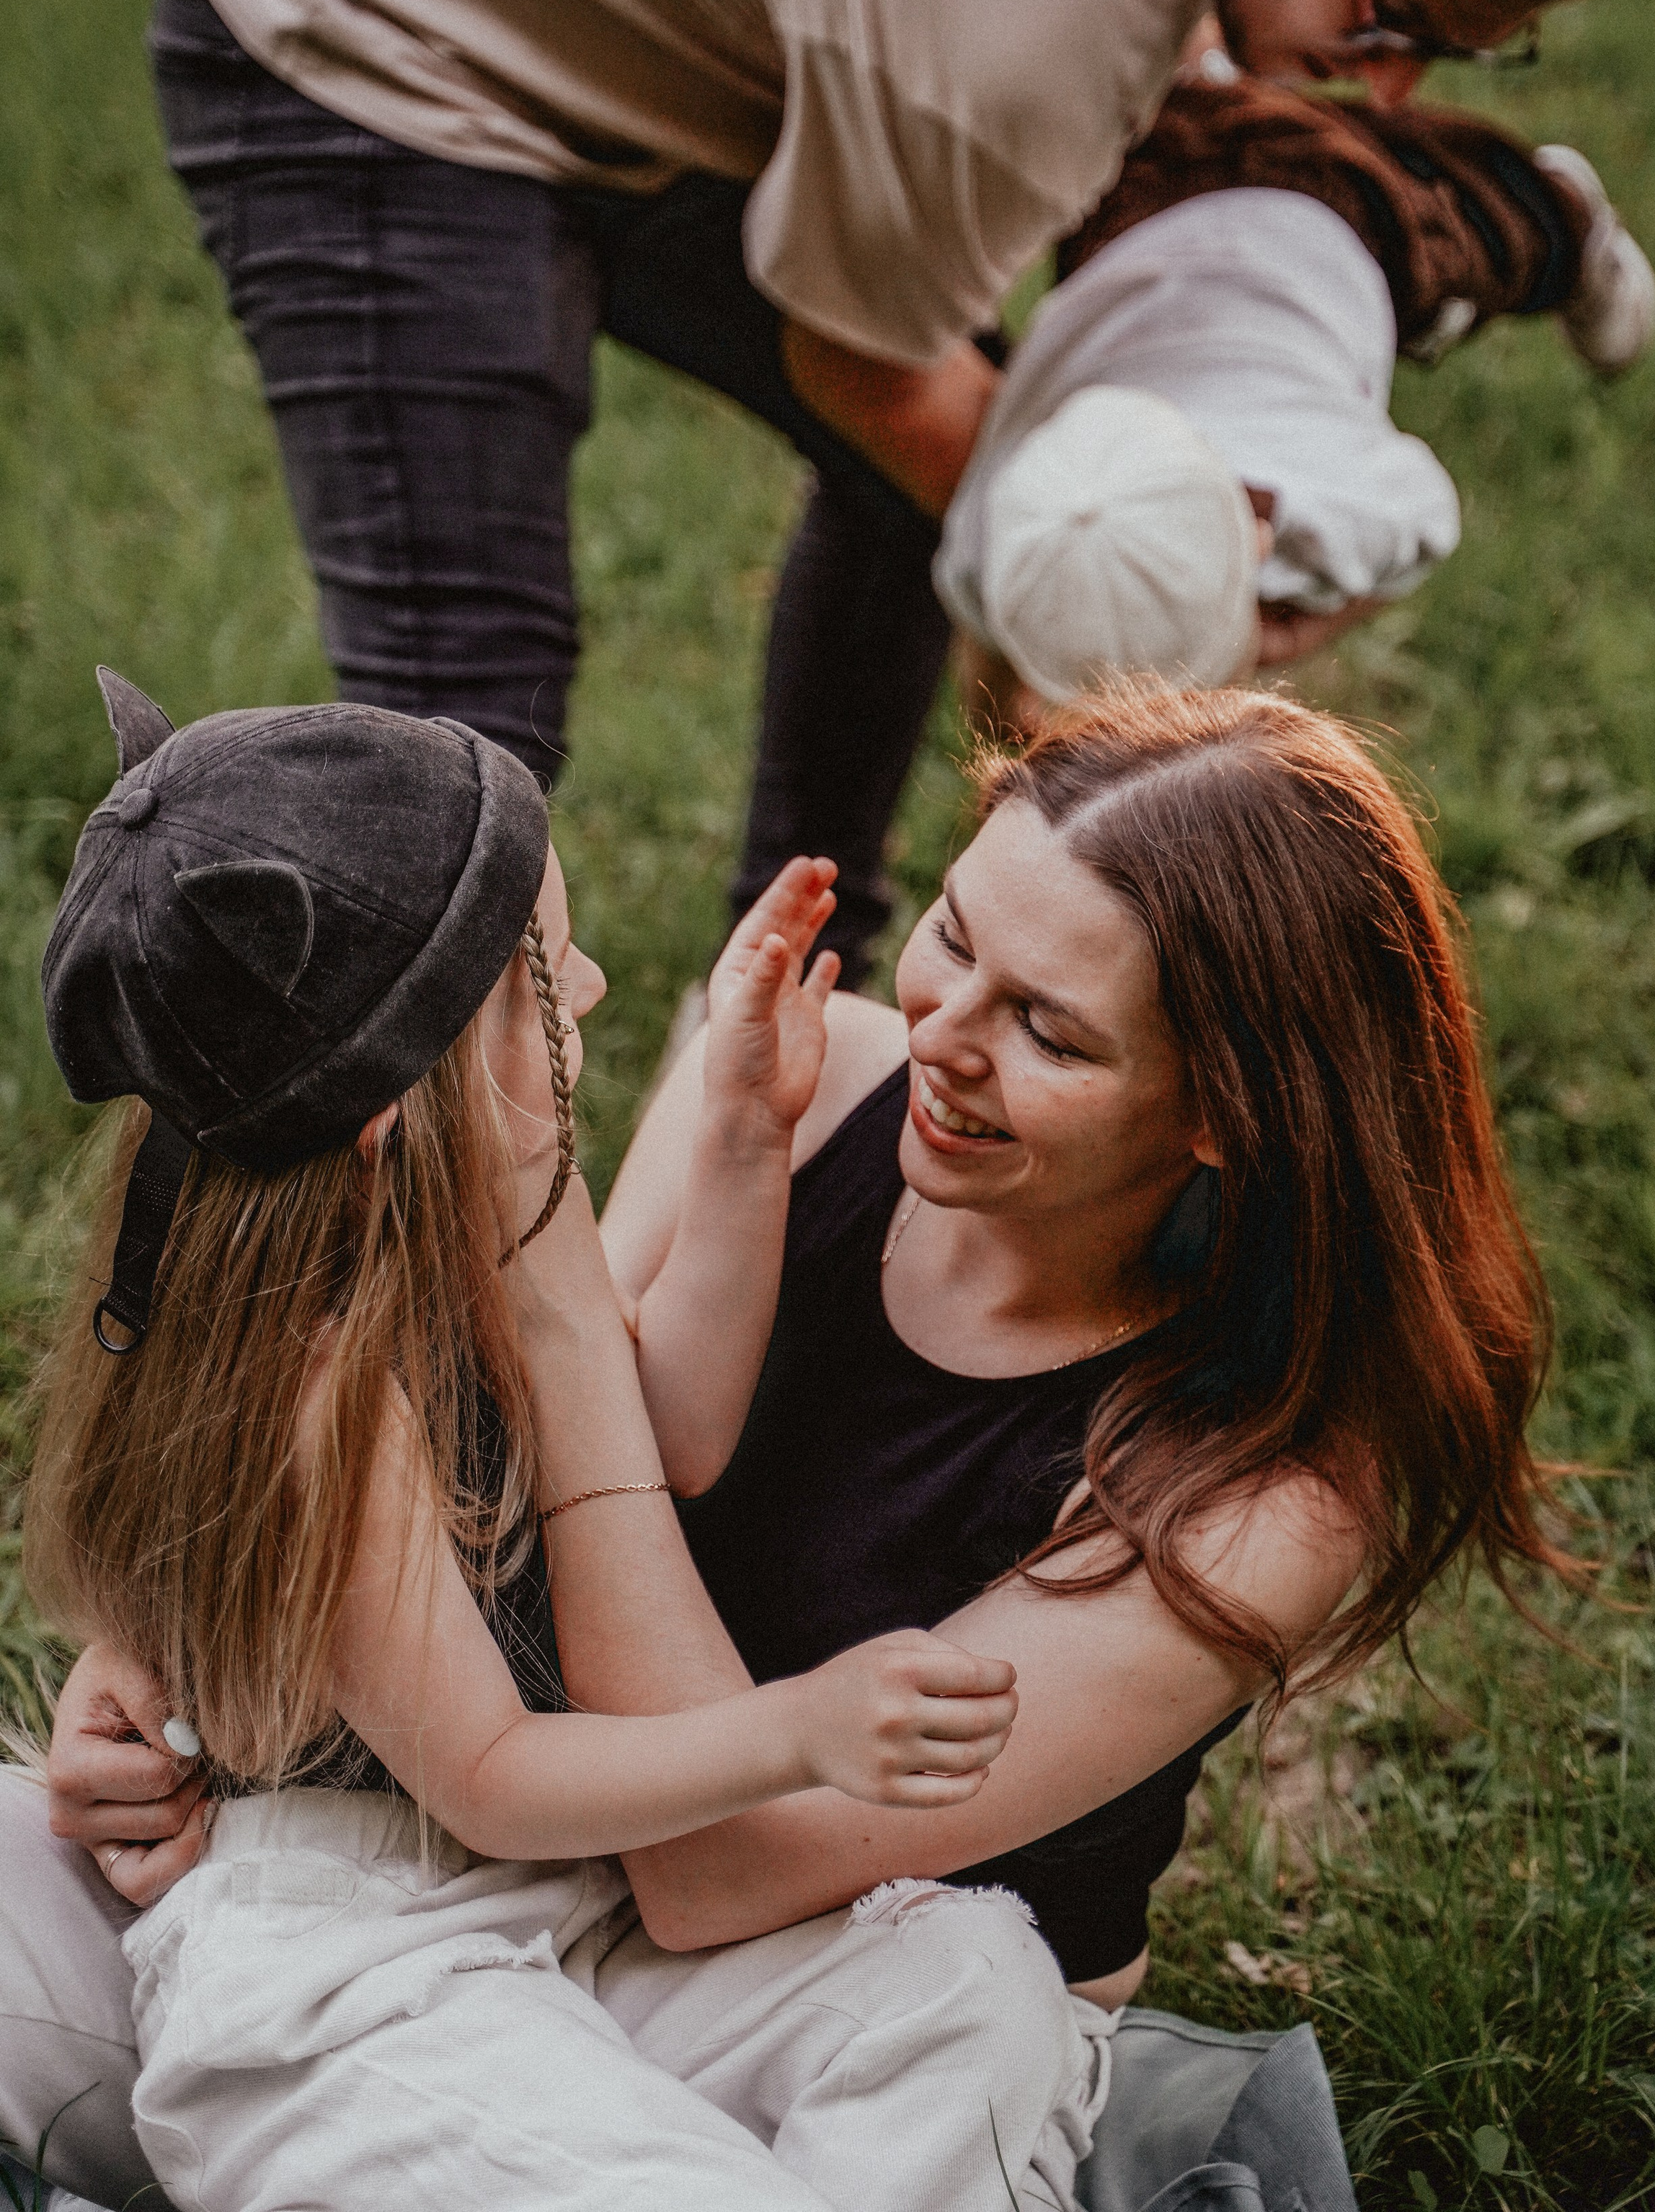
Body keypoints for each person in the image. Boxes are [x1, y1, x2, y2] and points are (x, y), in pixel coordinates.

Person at [22, 685, 1587, 2205]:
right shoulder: (818, 1071)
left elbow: (703, 1846)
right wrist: (180, 1668)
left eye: (1048, 1031)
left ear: (1227, 1110)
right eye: (953, 937)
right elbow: (489, 1473)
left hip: (782, 1969)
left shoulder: (1257, 1491)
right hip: (449, 1869)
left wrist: (560, 1306)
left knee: (968, 1982)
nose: (941, 1037)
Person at [150, 0, 1655, 983]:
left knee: (913, 484)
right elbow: (866, 364)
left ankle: (786, 1002)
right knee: (463, 735)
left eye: (1457, 54)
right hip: (364, 11)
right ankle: (269, 1097)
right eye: (1387, 13)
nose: (1387, 88)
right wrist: (1157, 592)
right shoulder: (1027, 5)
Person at [9, 673, 1096, 2212]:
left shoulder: (475, 1232)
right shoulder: (320, 1395)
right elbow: (496, 1776)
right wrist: (796, 1733)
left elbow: (671, 1434)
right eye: (539, 980)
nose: (585, 987)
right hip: (352, 1971)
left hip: (567, 1923)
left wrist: (743, 1134)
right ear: (401, 1110)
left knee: (974, 1979)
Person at [936, 74, 1655, 713]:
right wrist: (1004, 738)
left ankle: (1572, 227)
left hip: (1338, 216)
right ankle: (1216, 73)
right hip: (1138, 205)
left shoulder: (1330, 510)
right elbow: (989, 667)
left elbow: (1430, 522)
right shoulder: (994, 523)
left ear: (1260, 543)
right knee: (1206, 99)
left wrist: (1302, 631)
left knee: (1477, 228)